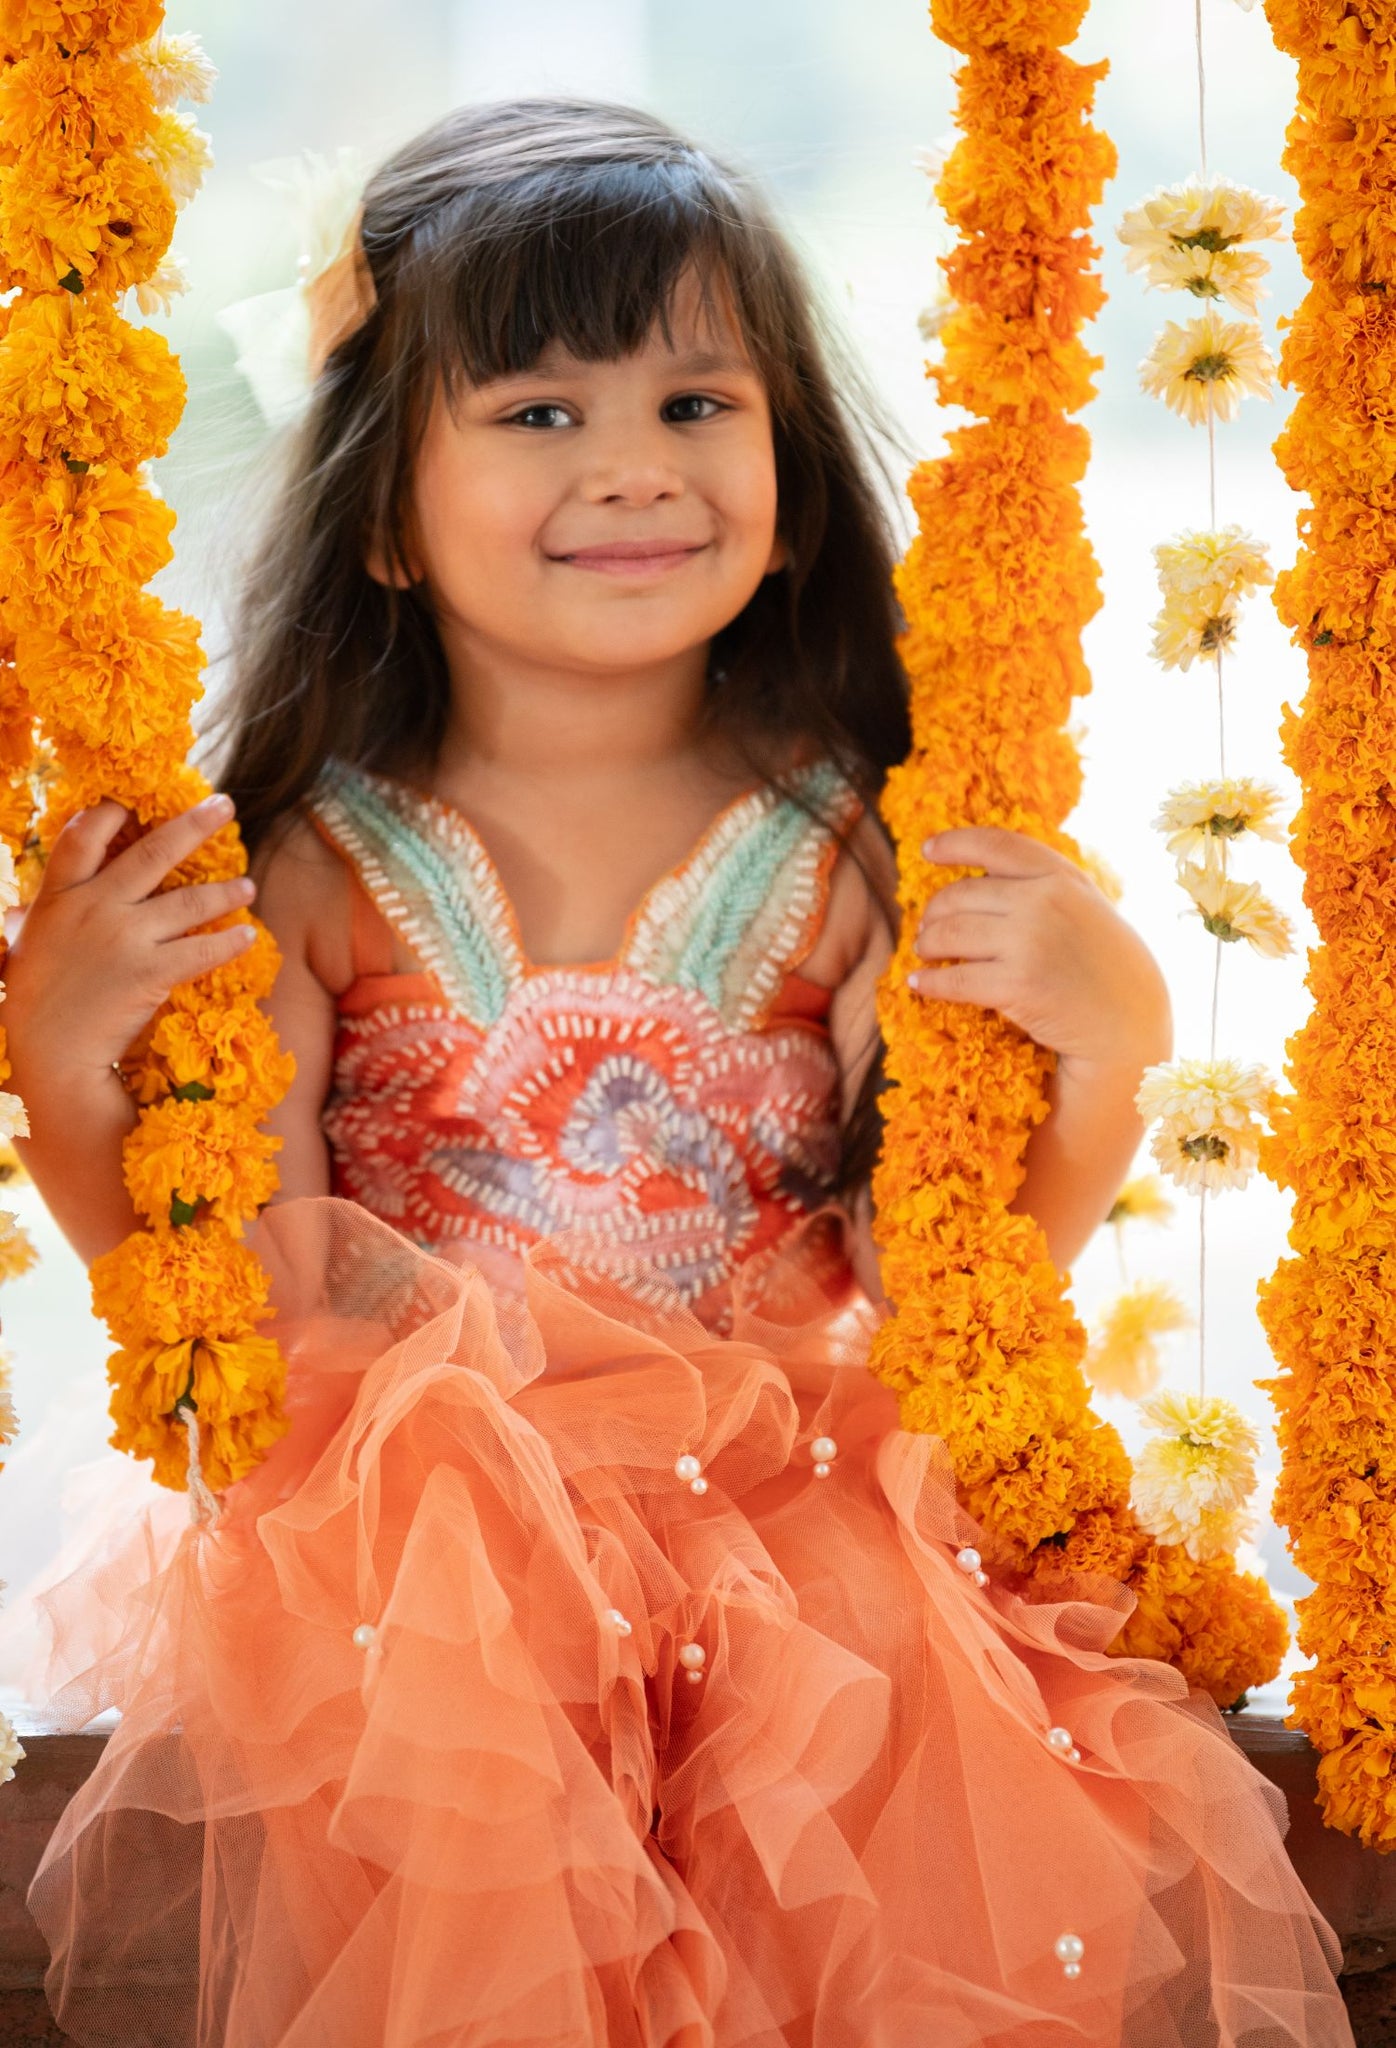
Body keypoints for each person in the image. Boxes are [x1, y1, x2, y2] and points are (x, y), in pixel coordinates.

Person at [4, 98, 1351, 2048]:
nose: (630, 468)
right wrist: (58, 1064)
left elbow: (946, 1275)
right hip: (435, 1588)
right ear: (382, 503)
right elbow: (232, 1326)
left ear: (793, 480)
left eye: (696, 406)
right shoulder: (303, 865)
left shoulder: (853, 842)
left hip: (817, 1545)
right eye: (539, 412)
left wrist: (1113, 1039)